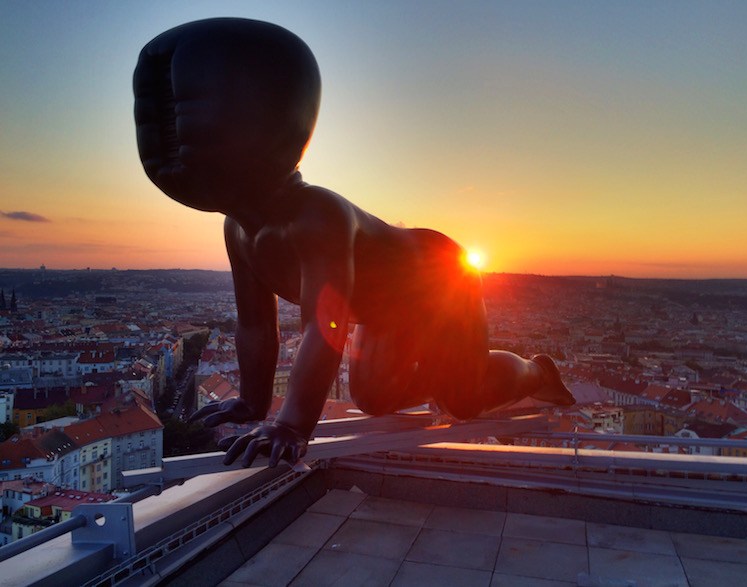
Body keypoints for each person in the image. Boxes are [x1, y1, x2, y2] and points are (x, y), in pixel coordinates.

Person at [134, 18, 575, 469]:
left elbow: (325, 328)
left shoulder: (317, 216)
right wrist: (252, 401)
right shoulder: (238, 230)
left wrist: (292, 425)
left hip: (440, 276)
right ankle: (449, 375)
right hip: (386, 308)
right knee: (373, 397)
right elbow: (256, 326)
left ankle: (538, 370)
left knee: (464, 398)